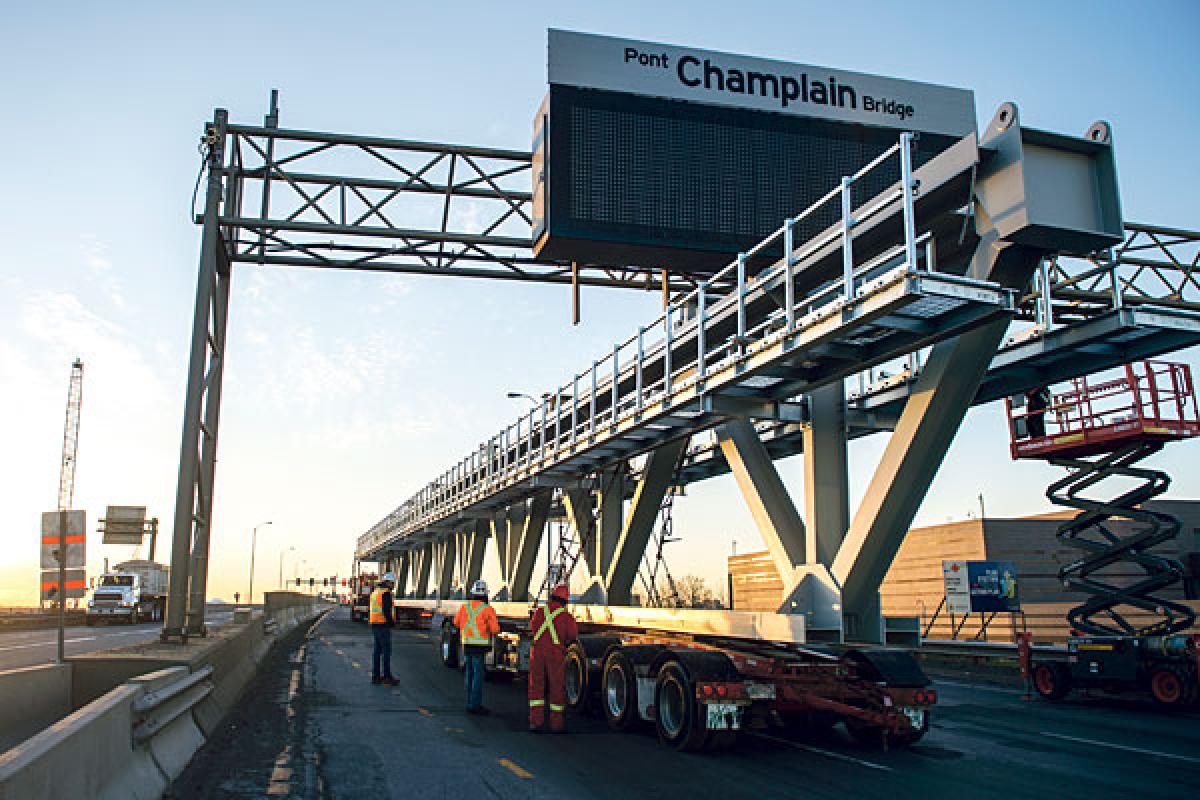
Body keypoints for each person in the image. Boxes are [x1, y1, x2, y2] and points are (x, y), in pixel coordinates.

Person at [528, 583, 578, 733]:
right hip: (555, 653)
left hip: (537, 652)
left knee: (536, 685)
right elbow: (572, 635)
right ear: (565, 601)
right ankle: (556, 724)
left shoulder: (539, 612)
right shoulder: (566, 616)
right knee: (556, 686)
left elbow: (533, 626)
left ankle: (535, 722)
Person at [454, 579, 500, 714]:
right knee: (478, 675)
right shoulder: (488, 609)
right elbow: (495, 629)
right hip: (479, 647)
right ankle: (475, 705)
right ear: (486, 595)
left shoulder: (464, 607)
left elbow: (456, 622)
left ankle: (469, 701)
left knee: (469, 673)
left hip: (467, 644)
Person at [369, 573, 396, 685]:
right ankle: (387, 676)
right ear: (388, 582)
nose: (393, 585)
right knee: (386, 651)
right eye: (393, 583)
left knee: (377, 651)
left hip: (375, 623)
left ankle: (376, 676)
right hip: (382, 624)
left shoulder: (375, 592)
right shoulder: (385, 593)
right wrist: (391, 623)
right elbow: (386, 610)